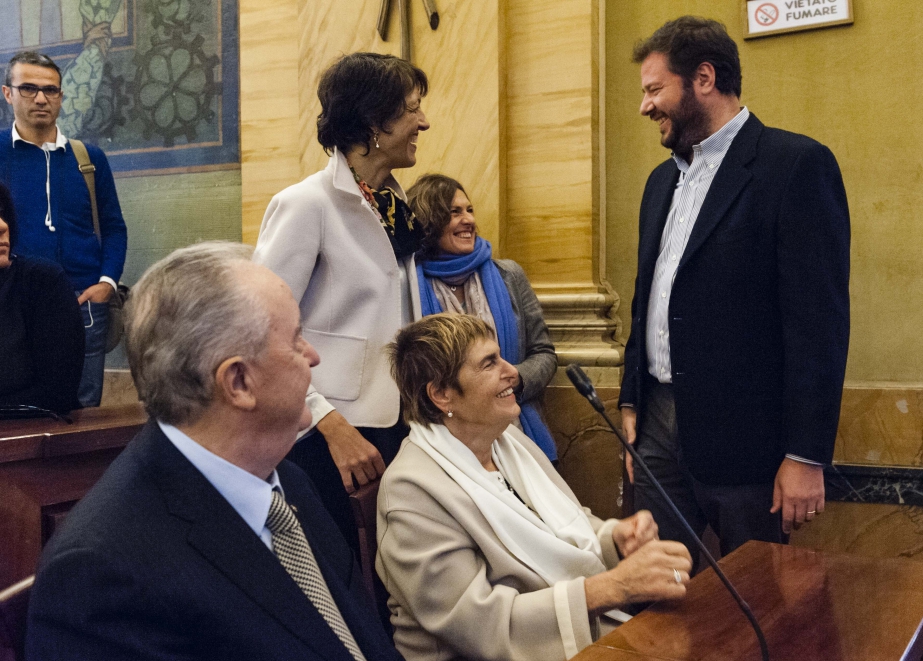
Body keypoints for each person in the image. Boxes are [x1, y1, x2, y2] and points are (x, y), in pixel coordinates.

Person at [26, 242, 404, 661]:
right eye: (296, 338)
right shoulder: (101, 578)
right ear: (238, 382)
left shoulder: (288, 482)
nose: (312, 356)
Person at [619, 17, 850, 569]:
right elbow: (647, 296)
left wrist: (805, 454)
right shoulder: (660, 182)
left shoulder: (793, 166)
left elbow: (819, 323)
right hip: (656, 432)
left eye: (654, 90)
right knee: (658, 596)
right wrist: (632, 397)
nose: (645, 107)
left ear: (703, 78)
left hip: (749, 444)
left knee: (755, 604)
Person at [378, 314, 692, 661]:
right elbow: (478, 624)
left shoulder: (507, 441)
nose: (511, 370)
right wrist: (613, 587)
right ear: (441, 394)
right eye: (489, 363)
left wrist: (615, 537)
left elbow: (561, 524)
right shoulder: (410, 491)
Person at [254, 52, 430, 555]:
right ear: (374, 121)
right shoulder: (305, 204)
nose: (424, 121)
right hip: (326, 434)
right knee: (342, 573)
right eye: (412, 109)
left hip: (396, 421)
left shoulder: (393, 204)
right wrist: (331, 427)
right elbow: (260, 332)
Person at [0, 51, 128, 408]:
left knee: (81, 411)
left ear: (60, 96)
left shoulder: (89, 159)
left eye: (50, 90)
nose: (41, 98)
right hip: (9, 306)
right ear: (8, 93)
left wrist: (106, 284)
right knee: (16, 409)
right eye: (28, 88)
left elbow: (115, 227)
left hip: (83, 305)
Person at [408, 173, 558, 461]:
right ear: (429, 222)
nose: (468, 220)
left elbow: (543, 352)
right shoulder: (410, 285)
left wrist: (515, 380)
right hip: (446, 444)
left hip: (519, 436)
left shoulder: (508, 275)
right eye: (454, 213)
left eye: (469, 210)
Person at [0, 181, 84, 414]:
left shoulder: (43, 282)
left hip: (33, 439)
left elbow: (58, 392)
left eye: (3, 214)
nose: (2, 225)